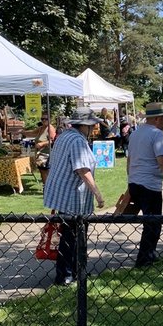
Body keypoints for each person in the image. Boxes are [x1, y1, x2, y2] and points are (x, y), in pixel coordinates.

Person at [43, 109, 106, 286]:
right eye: (93, 125)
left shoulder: (64, 136)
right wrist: (98, 195)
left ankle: (74, 272)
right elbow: (82, 170)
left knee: (70, 236)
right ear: (85, 125)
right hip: (72, 197)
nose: (94, 127)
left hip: (62, 194)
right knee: (72, 237)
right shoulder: (78, 140)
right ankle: (66, 275)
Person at [127, 101, 163, 268]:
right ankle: (144, 259)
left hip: (135, 183)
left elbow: (129, 160)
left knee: (149, 223)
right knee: (153, 224)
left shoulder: (135, 133)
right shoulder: (157, 134)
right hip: (149, 186)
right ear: (158, 118)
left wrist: (130, 179)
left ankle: (149, 254)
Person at [31, 114, 57, 184]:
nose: (44, 120)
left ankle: (47, 187)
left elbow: (52, 140)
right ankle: (46, 186)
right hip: (41, 154)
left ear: (50, 119)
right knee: (42, 170)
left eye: (46, 119)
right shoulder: (41, 128)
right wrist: (22, 131)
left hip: (46, 154)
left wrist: (42, 144)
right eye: (42, 119)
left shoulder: (50, 128)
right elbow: (32, 132)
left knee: (45, 171)